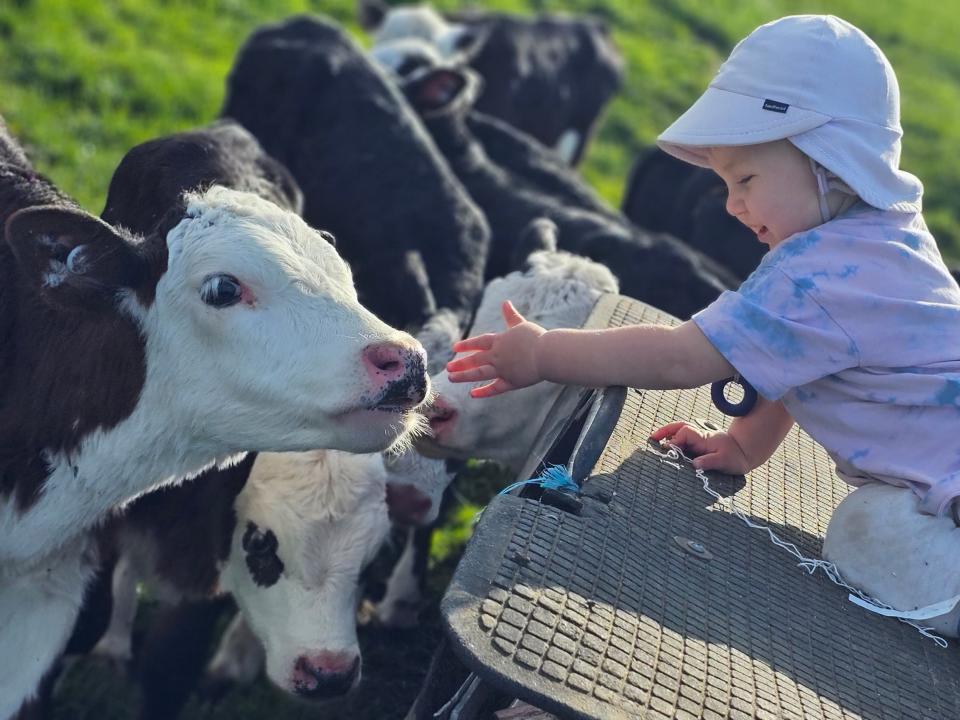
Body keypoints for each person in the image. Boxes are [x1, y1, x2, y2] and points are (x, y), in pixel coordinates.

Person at [446, 15, 960, 518]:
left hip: (947, 497)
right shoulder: (890, 236)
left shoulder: (817, 275)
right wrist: (743, 447)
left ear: (829, 163)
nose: (732, 205)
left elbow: (677, 358)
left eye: (747, 180)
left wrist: (542, 353)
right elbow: (791, 359)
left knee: (873, 542)